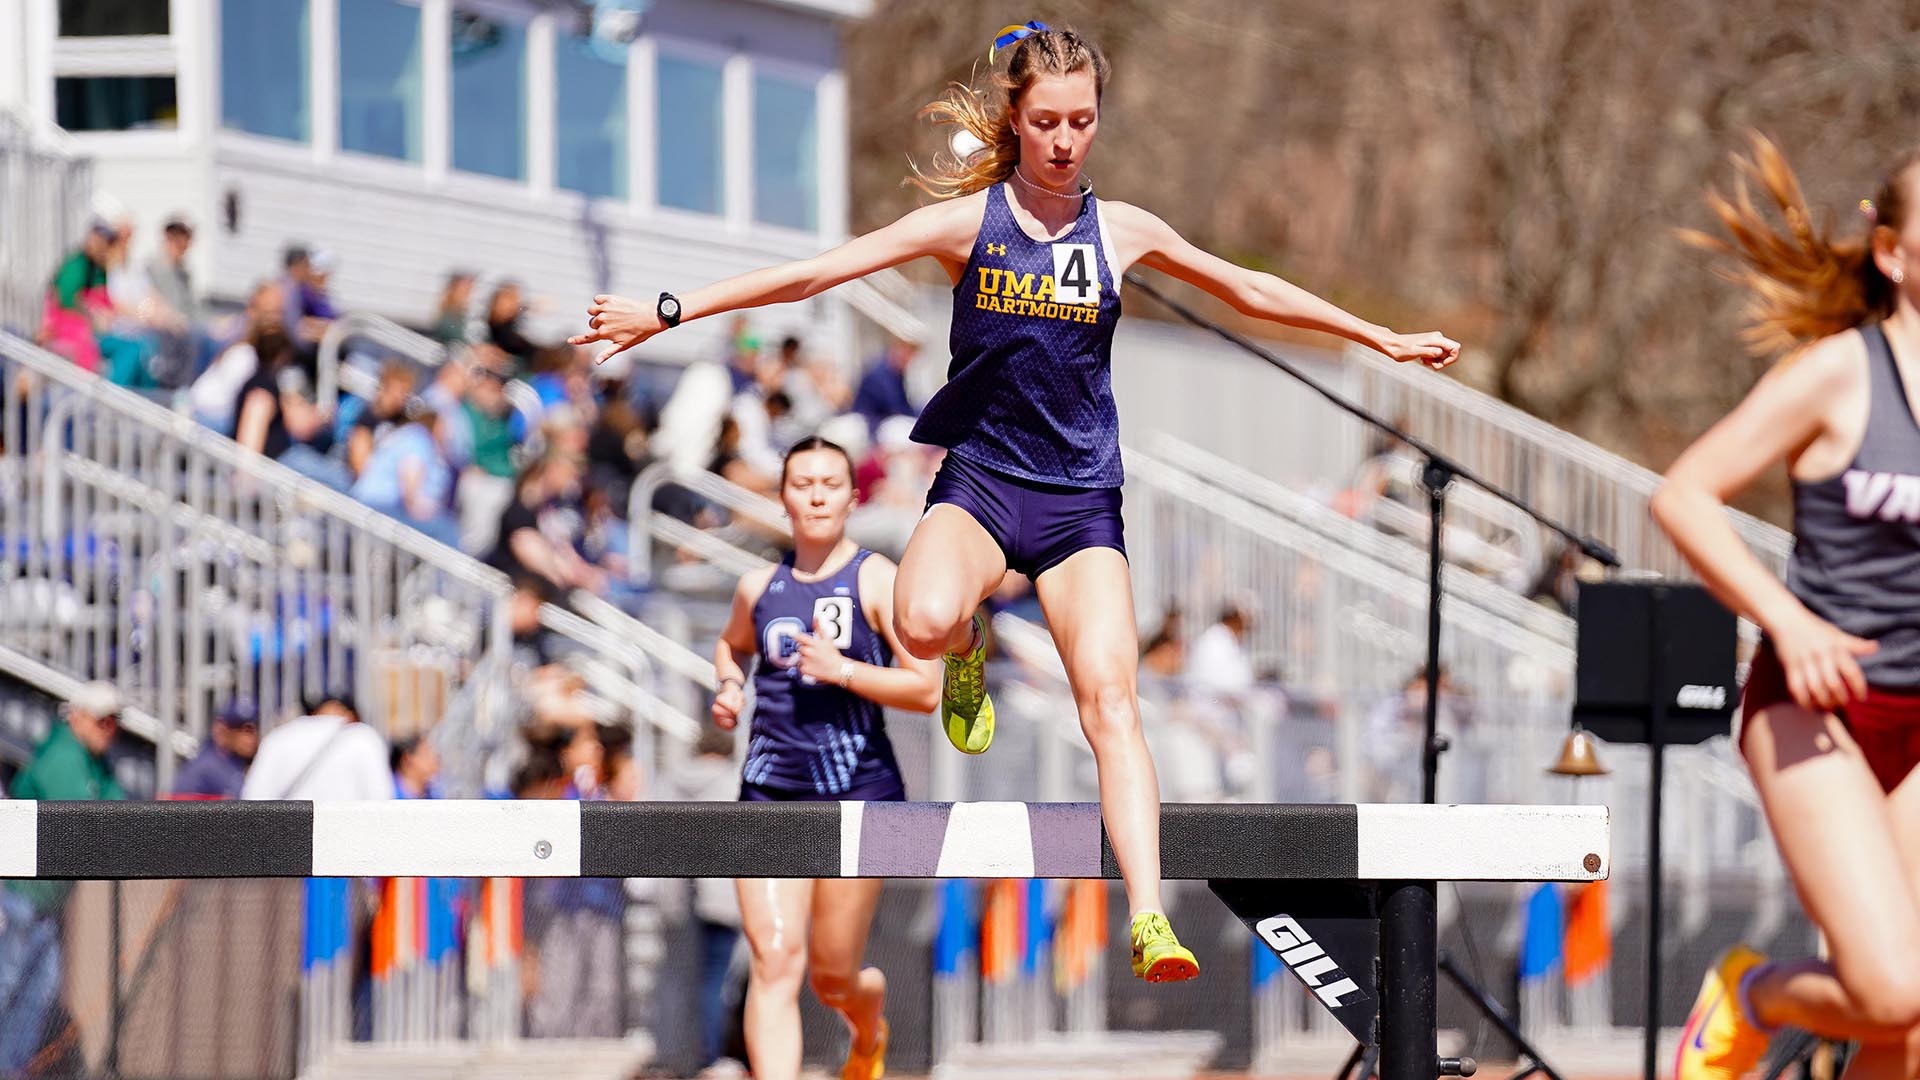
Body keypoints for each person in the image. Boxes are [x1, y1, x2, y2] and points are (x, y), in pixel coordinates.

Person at [572, 21, 1459, 982]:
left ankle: (1152, 917)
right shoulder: (970, 223)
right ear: (1017, 119)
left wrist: (1379, 336)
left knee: (1111, 700)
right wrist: (668, 311)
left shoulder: (1122, 231)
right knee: (917, 621)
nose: (1067, 139)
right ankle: (968, 652)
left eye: (1083, 121)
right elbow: (820, 271)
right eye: (1048, 122)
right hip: (984, 487)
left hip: (1081, 502)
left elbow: (1247, 286)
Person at [1656, 135, 1920, 1080]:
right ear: (1892, 252)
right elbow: (1684, 493)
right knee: (1892, 991)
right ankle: (1752, 992)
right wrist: (1793, 623)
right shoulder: (1842, 373)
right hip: (1818, 705)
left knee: (1911, 1025)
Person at [707, 437, 940, 1080]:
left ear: (851, 496)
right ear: (783, 497)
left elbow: (926, 687)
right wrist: (729, 686)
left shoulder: (875, 578)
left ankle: (868, 1025)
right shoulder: (758, 586)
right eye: (802, 483)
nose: (815, 494)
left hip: (857, 794)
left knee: (832, 974)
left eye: (829, 483)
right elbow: (732, 649)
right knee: (774, 959)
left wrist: (844, 671)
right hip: (767, 792)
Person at [1, 682, 126, 1073]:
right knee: (7, 985)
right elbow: (85, 818)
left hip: (48, 902)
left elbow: (122, 809)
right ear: (77, 716)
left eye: (113, 722)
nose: (108, 729)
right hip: (22, 897)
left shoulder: (92, 762)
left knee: (39, 993)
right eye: (100, 720)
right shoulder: (62, 756)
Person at [170, 703, 259, 799]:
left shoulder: (237, 763)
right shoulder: (206, 767)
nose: (250, 738)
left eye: (253, 730)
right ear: (225, 730)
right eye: (243, 730)